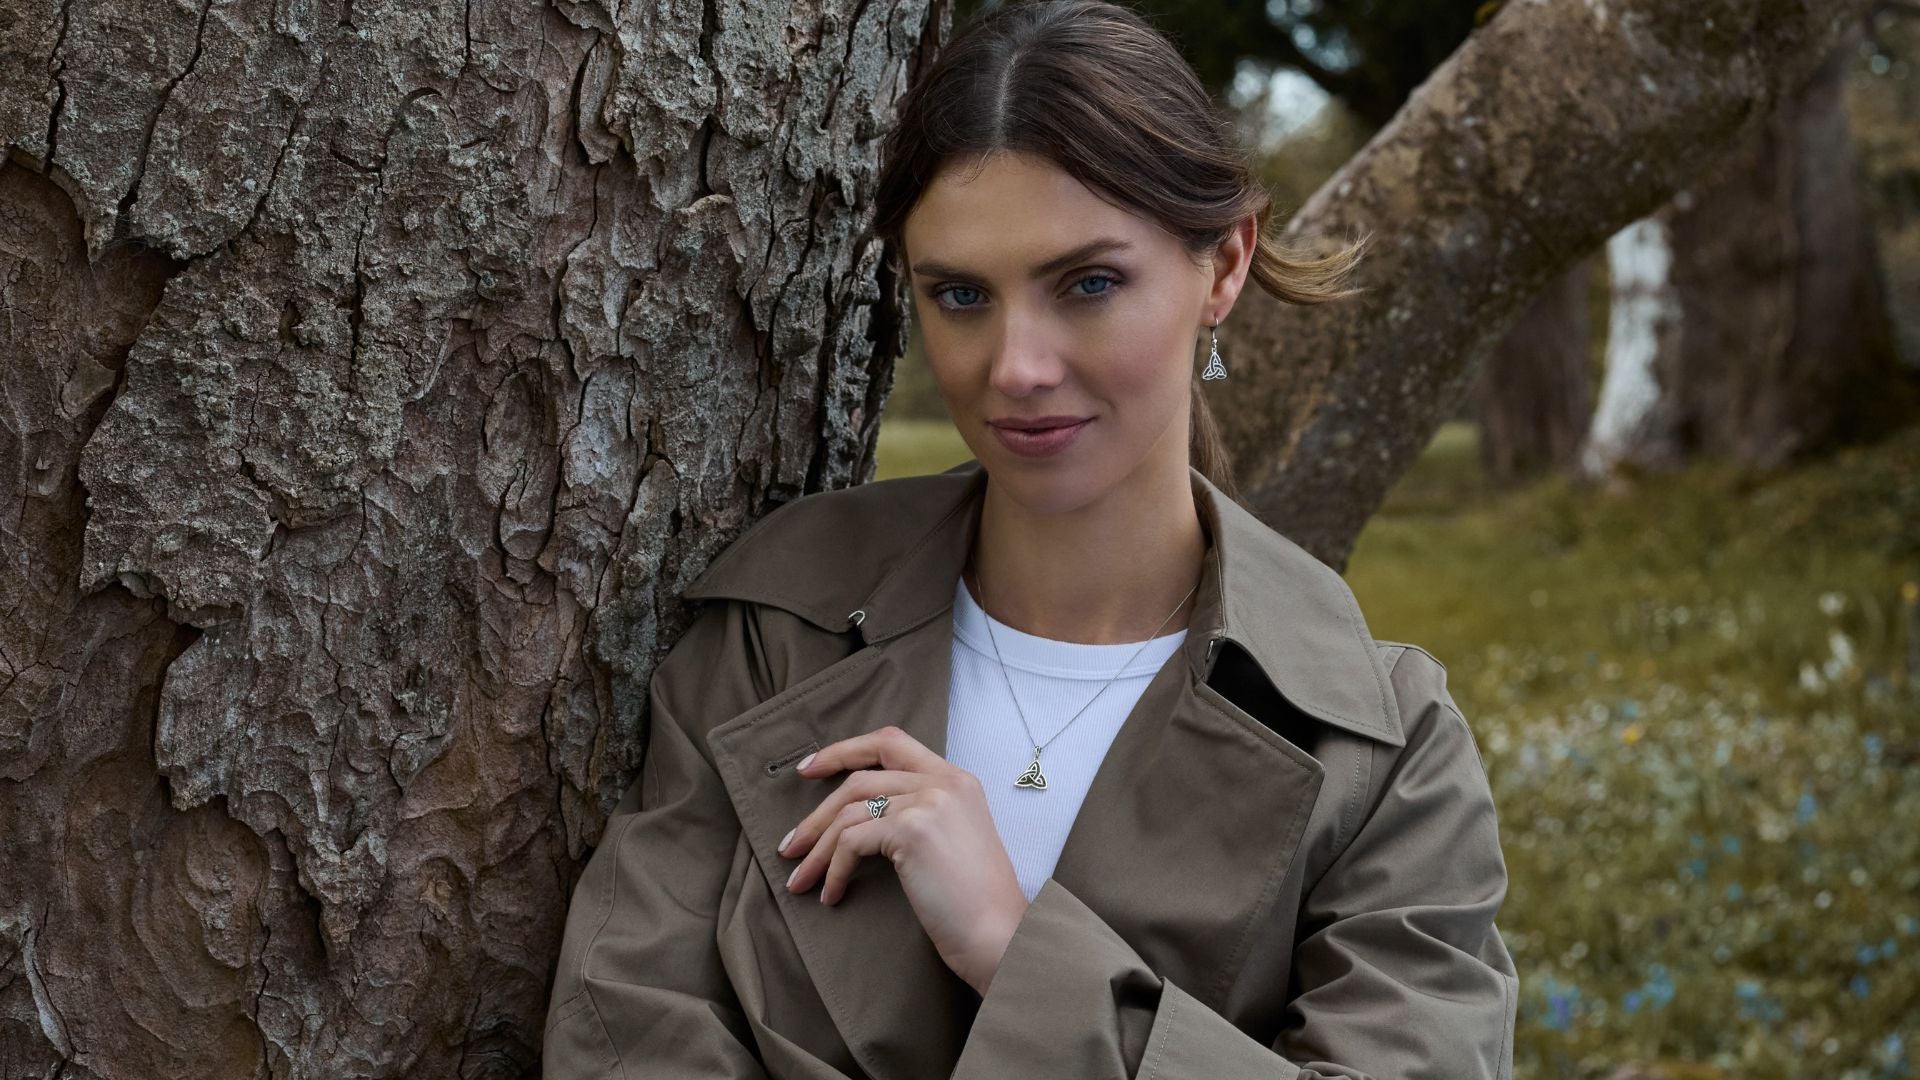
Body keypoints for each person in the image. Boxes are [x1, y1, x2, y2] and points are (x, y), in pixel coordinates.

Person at [542, 0, 1518, 1077]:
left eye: (1089, 283)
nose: (1015, 368)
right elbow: (623, 1031)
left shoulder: (1384, 752)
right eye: (961, 295)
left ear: (1225, 266)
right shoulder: (779, 633)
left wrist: (1018, 955)